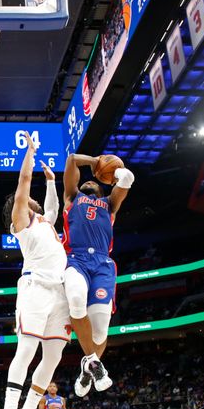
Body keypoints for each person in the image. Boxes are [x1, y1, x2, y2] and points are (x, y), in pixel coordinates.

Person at [1, 132, 71, 409]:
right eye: (29, 200)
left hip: (60, 292)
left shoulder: (44, 223)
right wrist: (29, 151)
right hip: (35, 289)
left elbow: (52, 210)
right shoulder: (22, 223)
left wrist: (53, 182)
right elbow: (23, 186)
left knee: (53, 355)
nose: (32, 200)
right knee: (27, 349)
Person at [61, 154, 134, 396]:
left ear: (103, 188)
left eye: (95, 182)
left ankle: (87, 366)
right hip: (77, 259)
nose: (90, 184)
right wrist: (95, 162)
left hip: (102, 263)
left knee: (101, 331)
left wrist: (112, 171)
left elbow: (128, 177)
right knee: (75, 300)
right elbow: (72, 160)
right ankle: (93, 362)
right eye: (88, 182)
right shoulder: (72, 197)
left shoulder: (110, 204)